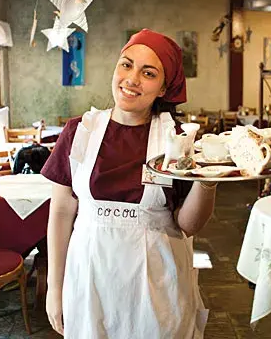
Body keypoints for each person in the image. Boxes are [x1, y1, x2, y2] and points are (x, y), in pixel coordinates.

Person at [41, 29, 214, 338]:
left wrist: (208, 181)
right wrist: (55, 289)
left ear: (163, 88)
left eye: (148, 73)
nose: (132, 78)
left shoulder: (176, 139)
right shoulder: (79, 131)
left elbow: (187, 225)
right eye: (126, 65)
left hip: (157, 287)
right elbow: (61, 213)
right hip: (90, 279)